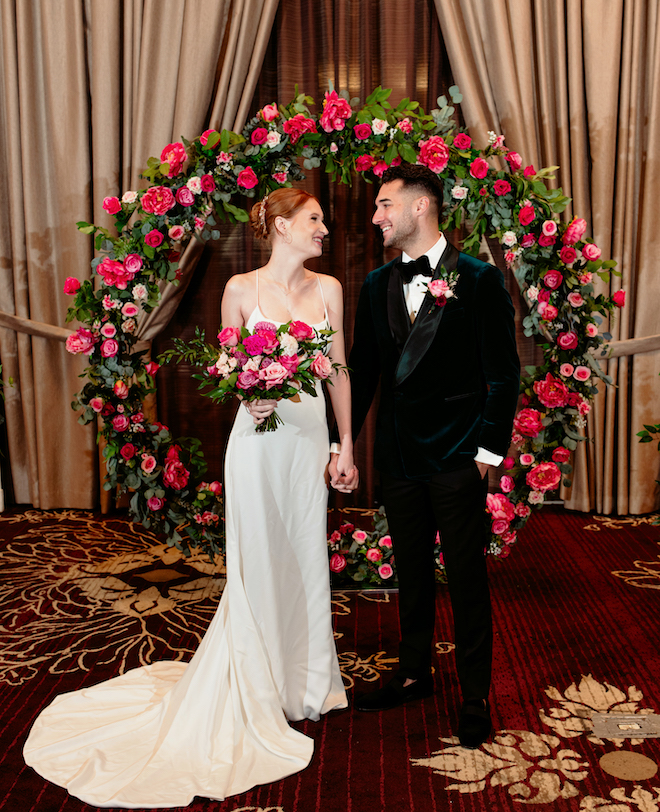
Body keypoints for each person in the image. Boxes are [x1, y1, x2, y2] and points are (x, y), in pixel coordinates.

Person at [24, 188, 357, 807]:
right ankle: (252, 686)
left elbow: (337, 369)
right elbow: (232, 368)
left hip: (309, 437)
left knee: (305, 553)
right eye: (314, 220)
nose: (324, 230)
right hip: (258, 440)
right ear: (282, 226)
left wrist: (346, 447)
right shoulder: (239, 289)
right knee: (257, 557)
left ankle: (308, 686)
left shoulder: (331, 289)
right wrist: (245, 396)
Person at [331, 163, 520, 749]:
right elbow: (362, 374)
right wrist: (341, 443)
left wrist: (487, 455)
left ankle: (473, 696)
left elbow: (503, 375)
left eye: (385, 204)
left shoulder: (481, 280)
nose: (376, 216)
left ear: (420, 207)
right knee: (409, 574)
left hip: (460, 457)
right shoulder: (373, 284)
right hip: (400, 458)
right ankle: (413, 672)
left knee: (466, 579)